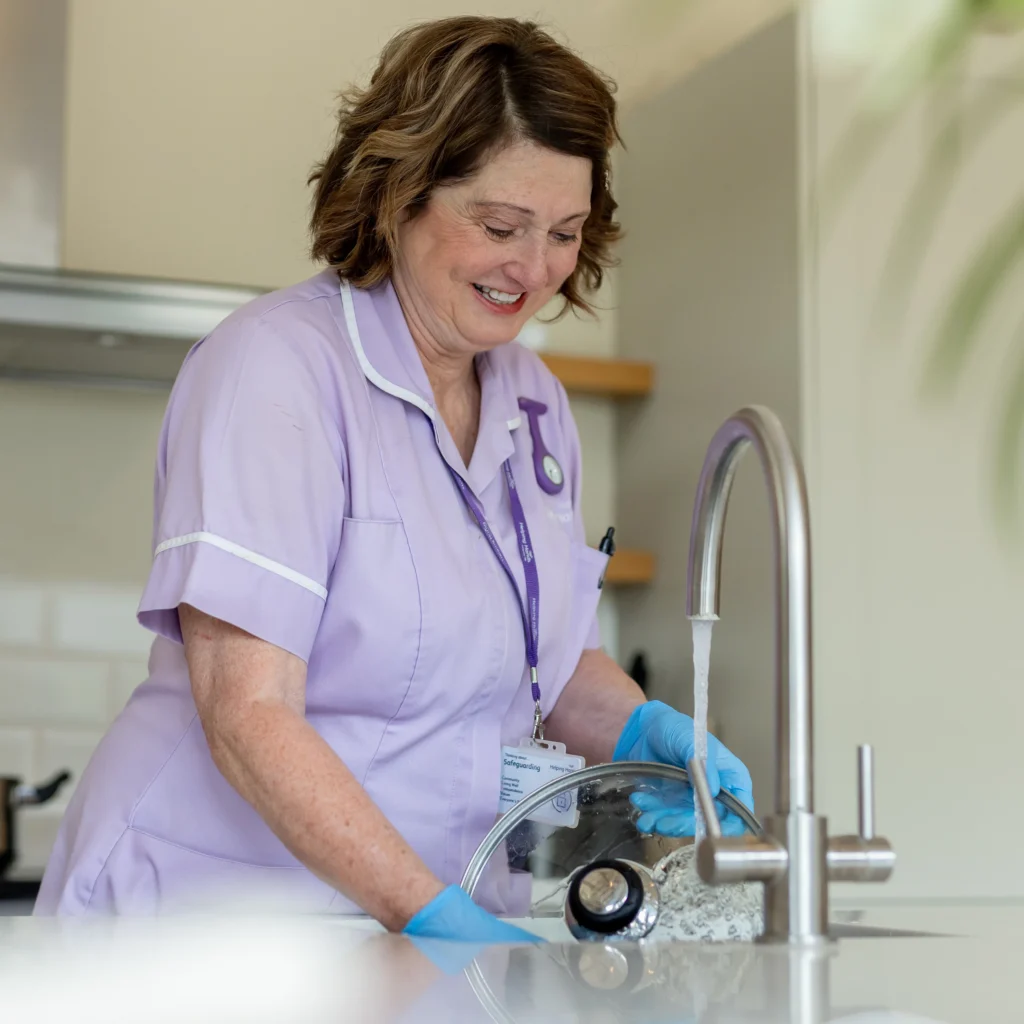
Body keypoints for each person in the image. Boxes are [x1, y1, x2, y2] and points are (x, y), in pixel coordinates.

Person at [36, 16, 752, 940]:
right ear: (398, 194)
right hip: (217, 927)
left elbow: (541, 662)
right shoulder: (278, 371)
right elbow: (248, 714)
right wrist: (433, 920)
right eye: (500, 225)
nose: (534, 269)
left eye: (566, 233)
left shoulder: (533, 401)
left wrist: (643, 733)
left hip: (413, 926)